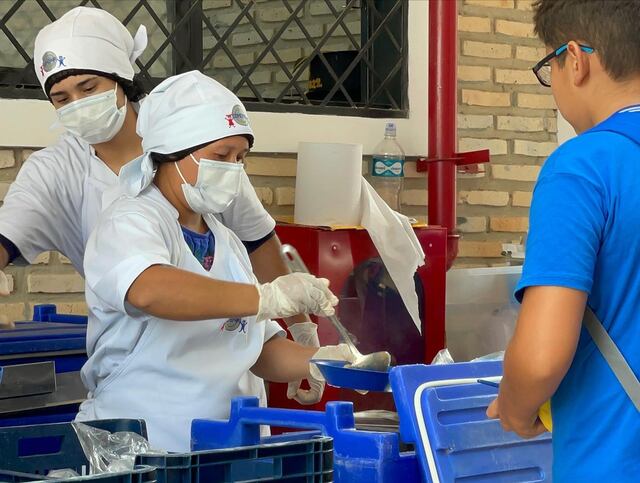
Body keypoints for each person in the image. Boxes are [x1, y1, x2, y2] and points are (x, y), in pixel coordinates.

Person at [0, 6, 324, 404]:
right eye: (61, 98)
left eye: (89, 88)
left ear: (122, 81)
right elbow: (150, 289)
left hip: (226, 415)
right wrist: (268, 299)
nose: (77, 105)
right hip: (147, 406)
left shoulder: (220, 216)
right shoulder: (113, 210)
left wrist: (313, 347)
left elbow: (258, 251)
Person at [77, 70, 352, 451]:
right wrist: (268, 299)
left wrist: (326, 360)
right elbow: (149, 289)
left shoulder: (225, 240)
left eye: (241, 158)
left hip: (230, 451)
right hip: (145, 450)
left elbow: (257, 349)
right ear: (171, 153)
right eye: (221, 156)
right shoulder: (129, 221)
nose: (233, 170)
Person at [486, 0, 640, 480]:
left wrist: (514, 407)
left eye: (546, 65)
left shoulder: (584, 167)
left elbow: (540, 358)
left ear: (576, 59)